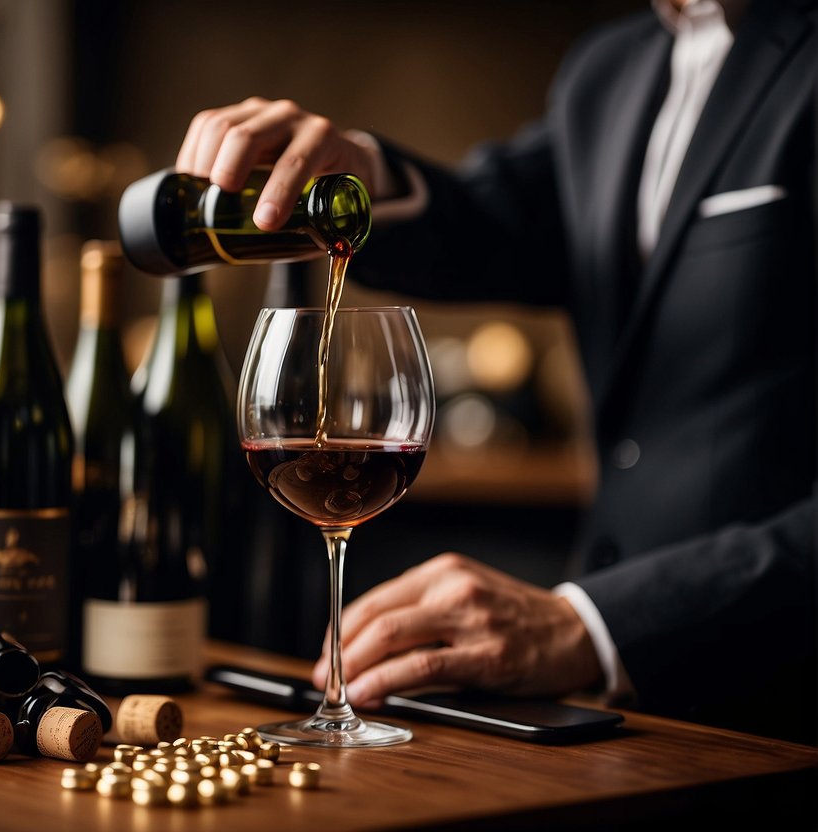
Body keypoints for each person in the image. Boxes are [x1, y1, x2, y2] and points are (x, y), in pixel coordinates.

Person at [173, 0, 816, 744]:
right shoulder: (607, 70)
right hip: (630, 727)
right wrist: (364, 174)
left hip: (786, 714)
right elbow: (500, 220)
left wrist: (595, 623)